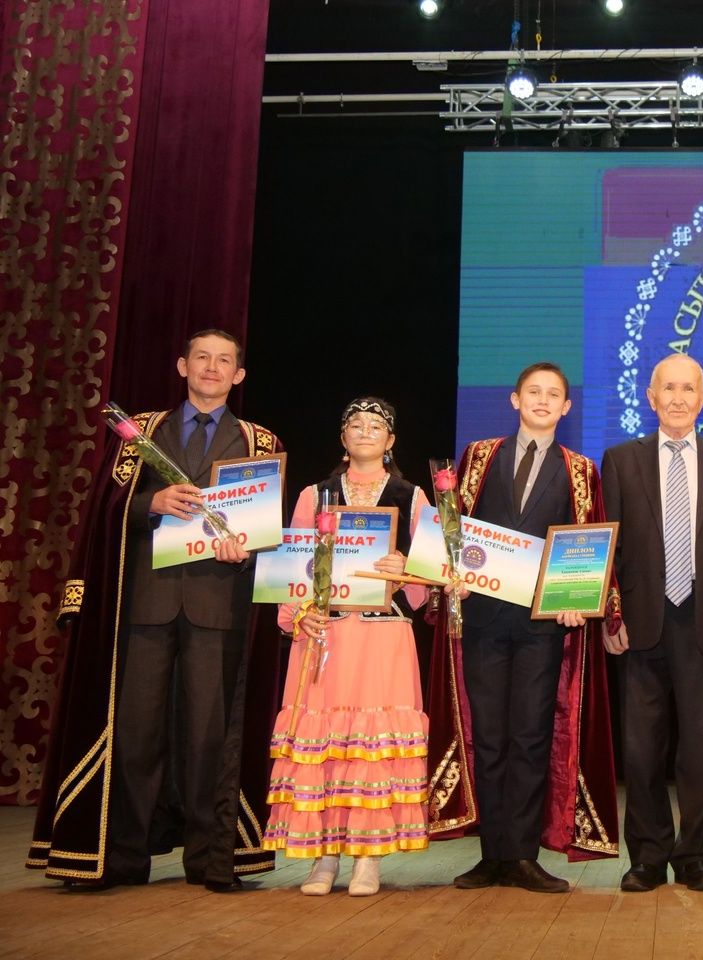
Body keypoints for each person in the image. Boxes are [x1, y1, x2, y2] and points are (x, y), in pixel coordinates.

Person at [27, 329, 282, 890]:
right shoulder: (138, 432)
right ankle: (121, 857)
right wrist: (150, 503)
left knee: (209, 738)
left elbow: (269, 529)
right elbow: (104, 508)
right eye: (202, 358)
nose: (212, 367)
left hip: (219, 608)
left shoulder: (259, 440)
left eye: (224, 360)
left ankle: (211, 860)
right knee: (135, 734)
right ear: (182, 365)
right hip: (144, 605)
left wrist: (247, 550)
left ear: (239, 375)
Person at [425, 362, 618, 892]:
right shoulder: (478, 456)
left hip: (543, 625)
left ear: (566, 408)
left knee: (532, 737)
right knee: (489, 738)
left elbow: (588, 539)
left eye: (553, 394)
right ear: (515, 399)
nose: (542, 400)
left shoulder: (580, 470)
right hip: (484, 618)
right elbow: (453, 525)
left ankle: (523, 855)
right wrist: (450, 573)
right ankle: (492, 855)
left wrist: (583, 601)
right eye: (533, 391)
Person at [264, 397, 430, 896]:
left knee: (370, 747)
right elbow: (292, 562)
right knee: (326, 746)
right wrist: (298, 616)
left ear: (390, 440)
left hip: (383, 635)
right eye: (354, 424)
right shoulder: (315, 495)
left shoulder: (412, 496)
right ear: (342, 438)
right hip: (327, 631)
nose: (364, 431)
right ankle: (323, 858)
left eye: (375, 425)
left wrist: (408, 569)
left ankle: (368, 857)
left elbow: (432, 575)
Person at [601, 354, 703, 893]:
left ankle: (694, 857)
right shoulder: (620, 460)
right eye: (669, 388)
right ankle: (647, 857)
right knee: (641, 751)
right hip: (641, 622)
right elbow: (608, 546)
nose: (679, 398)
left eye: (689, 389)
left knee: (700, 751)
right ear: (651, 397)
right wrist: (610, 613)